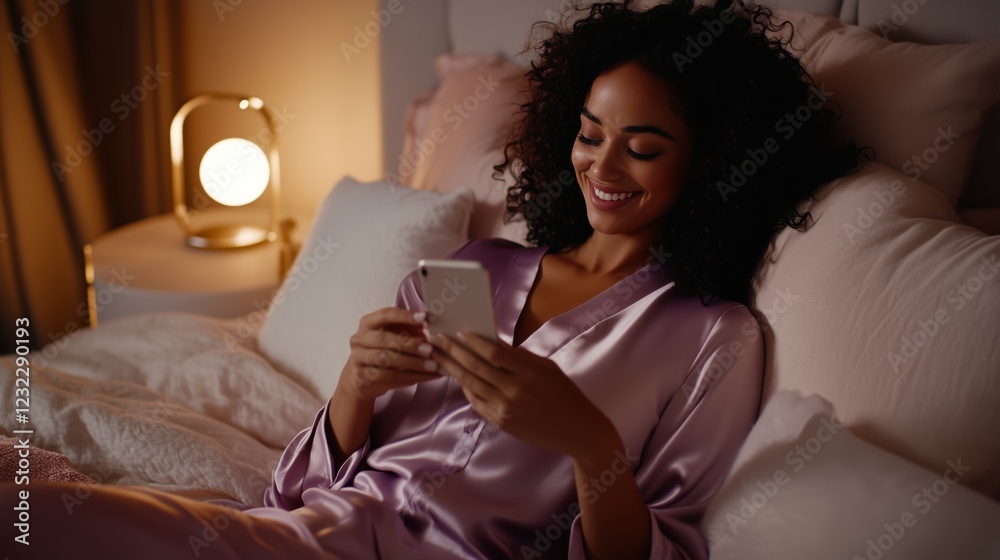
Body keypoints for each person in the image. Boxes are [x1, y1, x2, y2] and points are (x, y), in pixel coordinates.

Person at [5, 1, 860, 558]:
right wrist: (353, 385)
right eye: (590, 133)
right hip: (309, 539)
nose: (602, 166)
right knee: (33, 511)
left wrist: (589, 442)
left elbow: (660, 548)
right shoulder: (476, 271)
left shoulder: (713, 337)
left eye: (642, 147)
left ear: (711, 167)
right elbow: (291, 492)